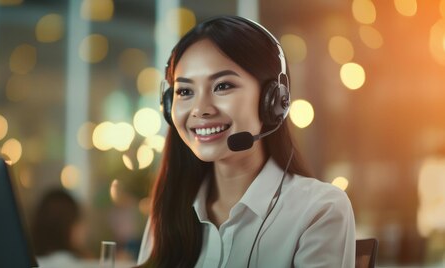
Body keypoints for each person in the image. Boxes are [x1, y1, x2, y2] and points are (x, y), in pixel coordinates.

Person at [137, 15, 356, 267]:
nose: (200, 109)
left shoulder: (319, 209)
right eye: (185, 91)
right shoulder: (170, 211)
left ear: (273, 100)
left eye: (223, 86)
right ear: (168, 105)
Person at [31, 188, 92, 268]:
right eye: (78, 220)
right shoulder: (80, 265)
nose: (85, 228)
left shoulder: (29, 261)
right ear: (68, 225)